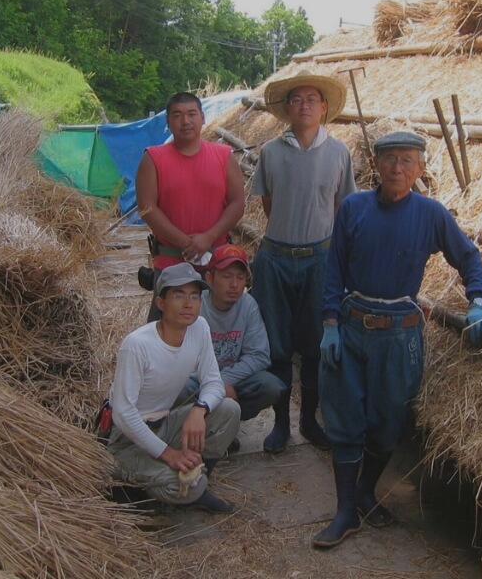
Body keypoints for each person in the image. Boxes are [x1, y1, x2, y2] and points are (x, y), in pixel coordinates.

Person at [311, 131, 482, 548]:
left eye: (407, 160)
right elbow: (334, 268)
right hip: (353, 327)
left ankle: (365, 492)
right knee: (345, 421)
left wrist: (478, 299)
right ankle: (345, 512)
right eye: (389, 158)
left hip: (400, 336)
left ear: (420, 168)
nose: (397, 167)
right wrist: (329, 323)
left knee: (389, 423)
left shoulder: (431, 215)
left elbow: (467, 257)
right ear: (375, 164)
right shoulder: (354, 207)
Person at [248, 71, 357, 453]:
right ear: (287, 109)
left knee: (314, 347)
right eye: (297, 99)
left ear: (324, 108)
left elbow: (342, 208)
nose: (305, 105)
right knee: (275, 346)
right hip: (275, 259)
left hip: (320, 261)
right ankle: (281, 425)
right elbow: (269, 204)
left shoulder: (340, 153)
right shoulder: (271, 152)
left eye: (313, 99)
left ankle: (309, 420)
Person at [107, 262, 241, 513]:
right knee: (180, 485)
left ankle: (198, 479)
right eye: (178, 295)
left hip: (164, 424)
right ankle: (133, 486)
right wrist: (169, 454)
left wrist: (199, 410)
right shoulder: (137, 345)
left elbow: (213, 382)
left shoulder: (199, 327)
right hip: (126, 441)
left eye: (194, 296)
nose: (188, 304)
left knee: (229, 409)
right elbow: (123, 414)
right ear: (161, 303)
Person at [136, 92, 246, 321]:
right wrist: (185, 242)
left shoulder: (224, 156)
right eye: (177, 115)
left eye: (191, 114)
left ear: (203, 117)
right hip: (170, 262)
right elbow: (147, 208)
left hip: (217, 263)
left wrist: (208, 237)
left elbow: (237, 203)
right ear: (167, 121)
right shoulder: (153, 158)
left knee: (220, 331)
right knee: (166, 333)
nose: (185, 121)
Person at [174, 244, 287, 452]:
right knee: (176, 387)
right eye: (227, 276)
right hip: (197, 381)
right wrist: (215, 385)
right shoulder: (195, 307)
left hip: (232, 381)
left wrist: (224, 381)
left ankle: (227, 426)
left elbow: (260, 355)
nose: (234, 284)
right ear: (209, 278)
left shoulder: (248, 305)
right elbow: (179, 358)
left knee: (271, 386)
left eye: (240, 277)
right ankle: (195, 429)